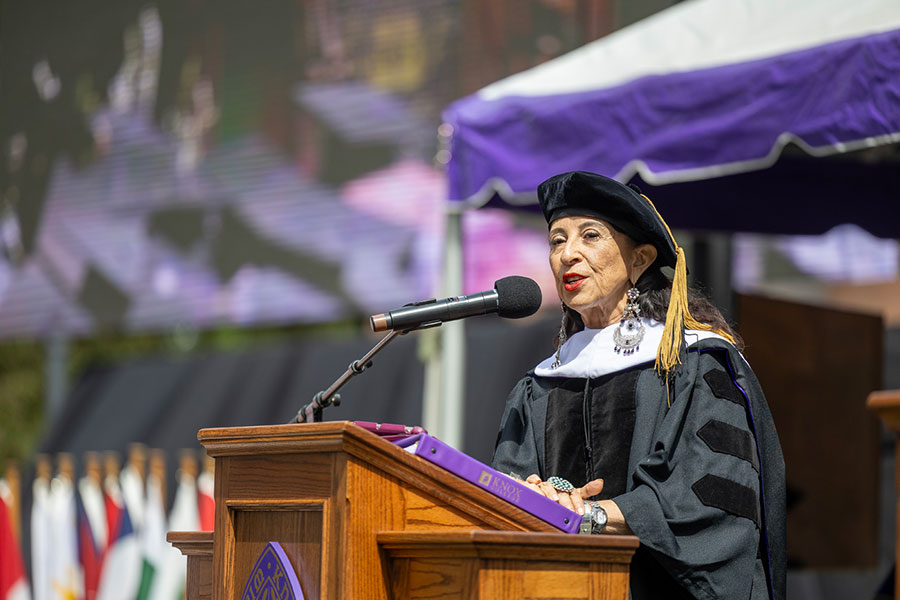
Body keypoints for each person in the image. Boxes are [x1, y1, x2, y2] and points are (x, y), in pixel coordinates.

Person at [492, 171, 785, 600]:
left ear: (640, 259)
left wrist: (589, 515)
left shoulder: (692, 363)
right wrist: (531, 494)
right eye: (557, 240)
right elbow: (508, 487)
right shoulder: (539, 386)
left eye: (589, 236)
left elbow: (708, 498)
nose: (568, 254)